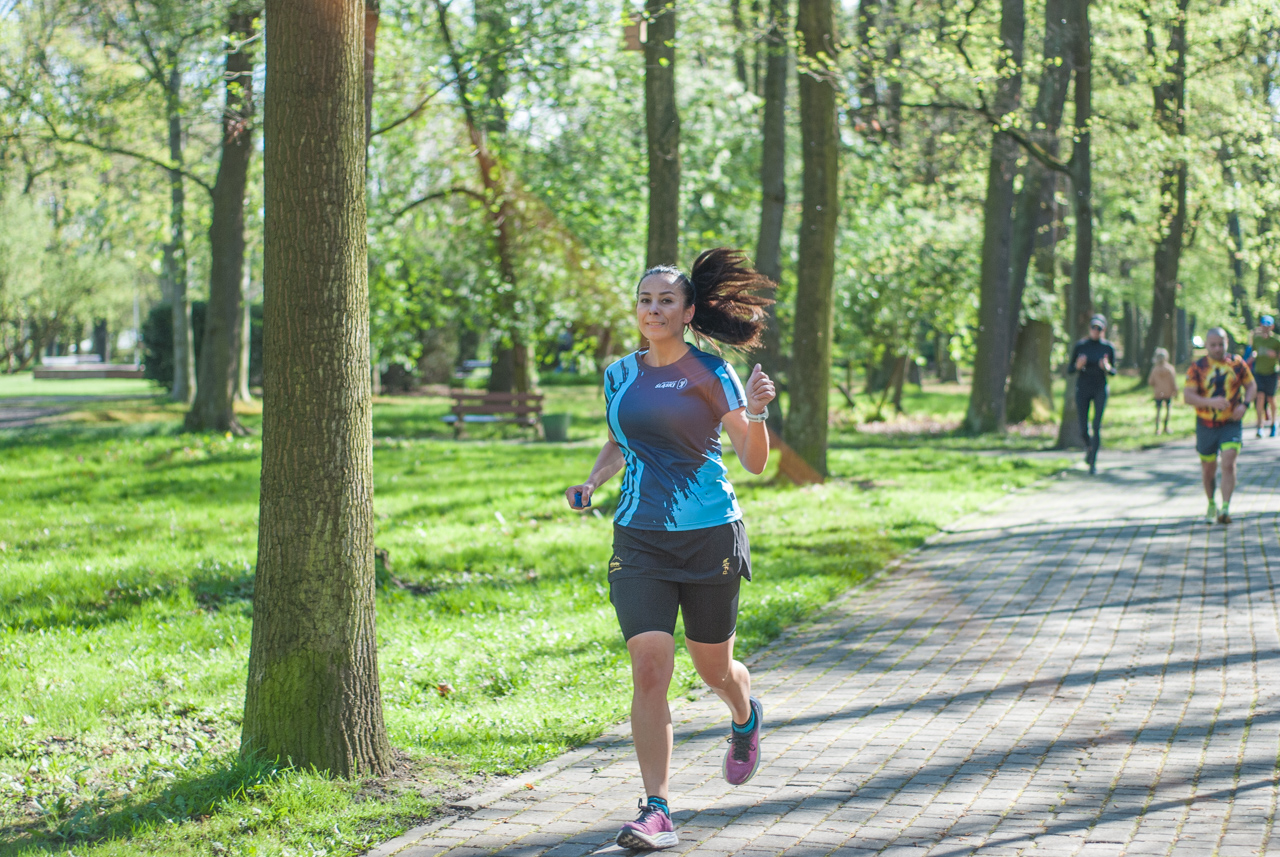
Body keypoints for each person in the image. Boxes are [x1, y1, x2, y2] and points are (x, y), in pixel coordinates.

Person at [565, 248, 776, 851]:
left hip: (710, 535)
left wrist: (756, 414)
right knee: (650, 667)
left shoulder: (712, 373)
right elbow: (619, 440)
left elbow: (754, 462)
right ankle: (656, 808)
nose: (652, 308)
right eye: (644, 299)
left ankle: (744, 713)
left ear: (687, 312)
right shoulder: (619, 374)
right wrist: (593, 481)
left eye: (665, 300)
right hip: (639, 539)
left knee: (714, 669)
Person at [1184, 327, 1256, 524]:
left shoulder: (1237, 363)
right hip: (1206, 424)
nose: (1217, 348)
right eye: (1213, 345)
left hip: (1230, 423)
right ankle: (1211, 503)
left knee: (1228, 461)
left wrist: (1245, 404)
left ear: (1226, 343)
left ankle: (1225, 508)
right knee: (1208, 469)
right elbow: (1188, 396)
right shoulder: (1197, 367)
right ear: (1206, 345)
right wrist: (1210, 402)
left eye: (1221, 344)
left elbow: (1251, 386)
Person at [1068, 314, 1116, 473]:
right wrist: (1078, 365)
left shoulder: (1108, 347)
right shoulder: (1080, 346)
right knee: (1083, 428)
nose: (1095, 331)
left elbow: (1114, 371)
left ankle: (1093, 462)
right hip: (1083, 387)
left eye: (1099, 328)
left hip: (1100, 388)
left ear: (1104, 330)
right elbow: (1070, 370)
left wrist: (1107, 367)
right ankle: (1089, 448)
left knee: (1096, 425)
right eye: (1093, 327)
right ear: (1089, 328)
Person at [1250, 316, 1280, 438]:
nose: (1265, 328)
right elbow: (1252, 352)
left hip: (1271, 373)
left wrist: (1276, 355)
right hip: (1259, 372)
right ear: (1261, 326)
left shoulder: (1276, 340)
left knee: (1271, 399)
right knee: (1260, 397)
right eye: (1263, 325)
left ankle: (1273, 423)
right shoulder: (1256, 339)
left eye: (1268, 326)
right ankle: (1260, 425)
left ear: (1272, 327)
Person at [1148, 347, 1178, 434]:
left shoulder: (1154, 370)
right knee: (1167, 410)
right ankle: (1166, 427)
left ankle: (1157, 429)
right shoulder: (1170, 369)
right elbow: (1173, 381)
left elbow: (1150, 382)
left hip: (1158, 393)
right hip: (1168, 393)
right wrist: (1175, 391)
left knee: (1158, 411)